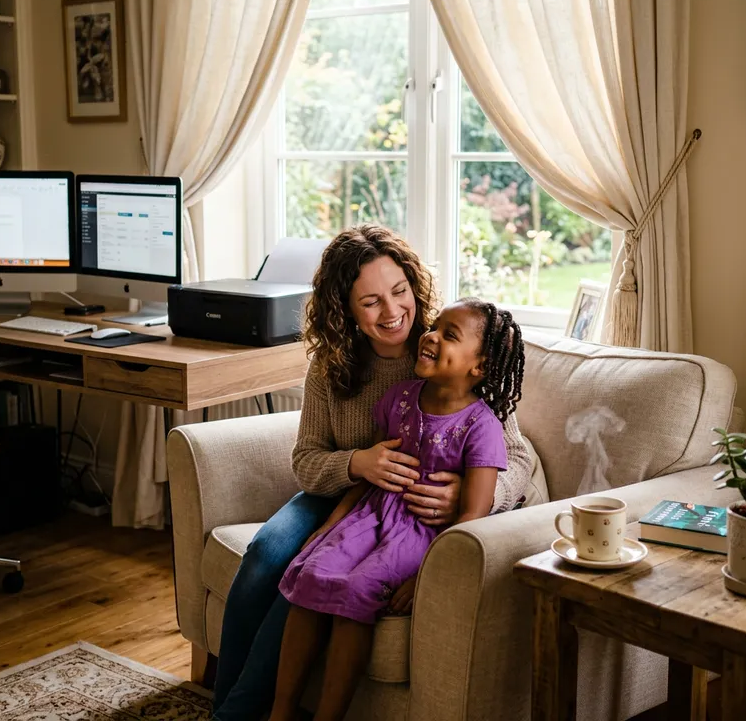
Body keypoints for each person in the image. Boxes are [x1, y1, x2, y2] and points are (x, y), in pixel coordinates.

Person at [212, 225, 532, 720]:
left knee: (296, 587)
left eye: (399, 291)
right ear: (345, 311)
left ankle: (246, 712)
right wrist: (356, 462)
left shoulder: (446, 354)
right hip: (345, 490)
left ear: (414, 285)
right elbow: (307, 461)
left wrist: (471, 494)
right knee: (265, 555)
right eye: (371, 302)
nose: (392, 311)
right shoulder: (331, 365)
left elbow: (518, 456)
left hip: (410, 507)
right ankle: (226, 707)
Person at [270, 298, 524, 721]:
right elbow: (373, 471)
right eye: (436, 326)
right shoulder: (400, 397)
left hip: (421, 532)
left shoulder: (484, 427)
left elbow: (472, 519)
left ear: (477, 367)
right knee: (310, 573)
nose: (431, 336)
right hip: (369, 512)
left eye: (449, 334)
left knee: (355, 593)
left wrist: (428, 574)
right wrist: (330, 526)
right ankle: (280, 712)